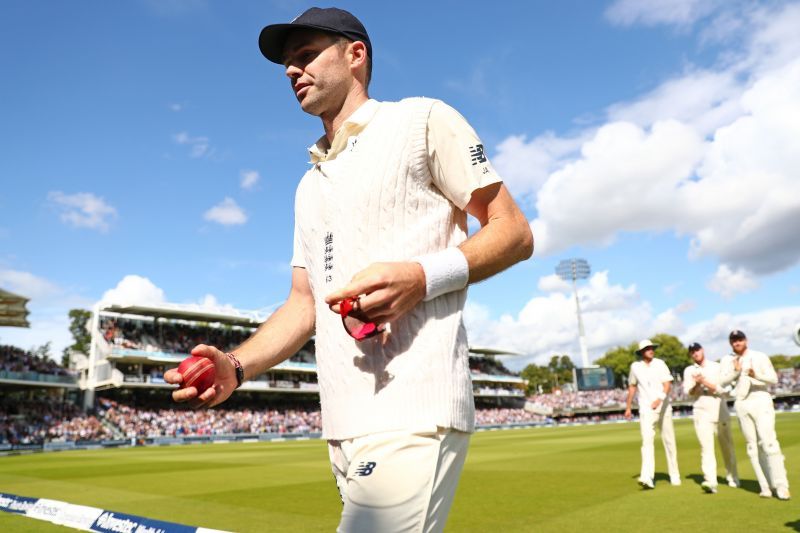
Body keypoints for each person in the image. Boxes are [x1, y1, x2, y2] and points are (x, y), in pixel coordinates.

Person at [165, 6, 533, 532]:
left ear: (355, 54)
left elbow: (514, 232)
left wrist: (421, 278)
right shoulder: (308, 184)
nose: (292, 71)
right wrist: (237, 366)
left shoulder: (421, 119)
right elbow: (303, 303)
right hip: (341, 424)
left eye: (306, 55)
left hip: (414, 408)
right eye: (287, 65)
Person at [720, 330, 790, 500]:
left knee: (768, 442)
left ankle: (781, 486)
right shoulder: (727, 360)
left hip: (760, 398)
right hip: (741, 402)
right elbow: (721, 382)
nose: (737, 343)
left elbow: (773, 379)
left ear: (746, 340)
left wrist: (754, 374)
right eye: (734, 340)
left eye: (739, 339)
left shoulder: (759, 356)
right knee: (752, 447)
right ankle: (765, 486)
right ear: (730, 343)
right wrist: (736, 372)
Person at [682, 342, 738, 493]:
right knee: (706, 448)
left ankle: (733, 477)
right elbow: (689, 392)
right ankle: (710, 481)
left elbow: (724, 389)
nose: (695, 353)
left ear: (702, 350)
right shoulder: (689, 371)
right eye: (692, 352)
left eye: (697, 350)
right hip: (701, 409)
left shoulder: (716, 366)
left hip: (719, 407)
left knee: (727, 446)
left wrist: (704, 382)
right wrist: (697, 385)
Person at [624, 339, 680, 489]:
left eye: (651, 348)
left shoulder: (660, 363)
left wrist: (659, 399)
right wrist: (628, 407)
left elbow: (667, 384)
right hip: (646, 408)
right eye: (647, 348)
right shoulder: (635, 367)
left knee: (669, 441)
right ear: (642, 352)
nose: (651, 350)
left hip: (664, 407)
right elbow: (632, 387)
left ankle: (674, 475)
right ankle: (647, 476)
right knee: (647, 442)